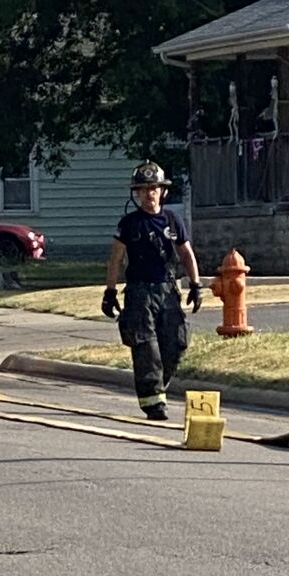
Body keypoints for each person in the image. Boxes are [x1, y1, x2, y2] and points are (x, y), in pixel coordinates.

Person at [101, 162, 203, 420]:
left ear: (163, 191)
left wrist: (195, 284)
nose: (149, 194)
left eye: (154, 188)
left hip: (167, 290)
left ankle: (158, 388)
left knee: (176, 342)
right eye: (144, 189)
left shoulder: (172, 220)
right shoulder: (129, 224)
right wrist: (110, 292)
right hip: (139, 294)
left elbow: (186, 253)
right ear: (137, 193)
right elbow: (115, 259)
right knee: (146, 347)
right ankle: (153, 403)